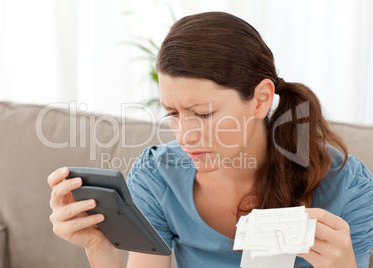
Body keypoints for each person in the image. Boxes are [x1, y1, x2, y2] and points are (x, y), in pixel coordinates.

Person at [47, 12, 373, 268]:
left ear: (260, 100)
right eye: (172, 114)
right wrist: (100, 249)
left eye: (203, 114)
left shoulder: (347, 186)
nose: (185, 136)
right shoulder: (158, 177)